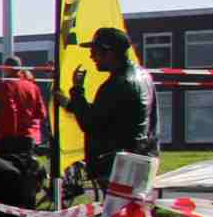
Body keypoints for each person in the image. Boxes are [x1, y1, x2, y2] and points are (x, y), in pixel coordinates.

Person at [61, 25, 156, 196]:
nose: (91, 56)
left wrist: (77, 91)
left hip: (118, 165)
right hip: (140, 158)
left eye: (95, 52)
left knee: (118, 212)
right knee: (131, 211)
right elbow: (109, 114)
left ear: (109, 52)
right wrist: (70, 103)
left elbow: (90, 123)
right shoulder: (144, 76)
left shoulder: (117, 84)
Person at [0, 55, 48, 168]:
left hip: (10, 136)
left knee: (8, 170)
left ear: (6, 68)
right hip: (28, 136)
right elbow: (41, 113)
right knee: (26, 170)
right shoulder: (33, 87)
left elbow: (10, 111)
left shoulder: (6, 86)